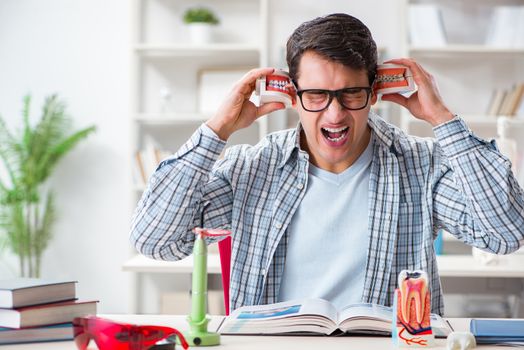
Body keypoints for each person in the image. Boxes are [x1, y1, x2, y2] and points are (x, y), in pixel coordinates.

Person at [130, 13, 524, 316]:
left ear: (374, 93)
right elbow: (156, 242)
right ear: (293, 96)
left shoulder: (420, 167)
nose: (334, 115)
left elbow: (505, 234)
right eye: (317, 95)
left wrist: (442, 118)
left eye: (350, 94)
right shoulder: (252, 170)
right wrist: (217, 130)